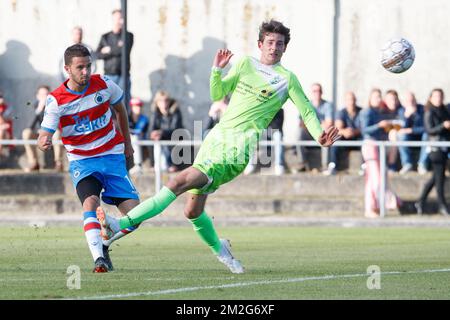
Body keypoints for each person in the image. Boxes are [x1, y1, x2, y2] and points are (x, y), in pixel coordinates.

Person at [96, 20, 340, 274]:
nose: (274, 47)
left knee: (179, 180)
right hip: (215, 141)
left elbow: (307, 111)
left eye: (280, 44)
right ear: (260, 44)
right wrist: (216, 71)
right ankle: (222, 250)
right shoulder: (245, 64)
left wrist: (319, 135)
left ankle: (119, 223)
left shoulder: (287, 79)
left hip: (237, 151)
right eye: (270, 42)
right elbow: (217, 94)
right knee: (192, 211)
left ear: (285, 48)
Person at [37, 44, 140, 273]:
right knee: (90, 203)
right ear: (67, 69)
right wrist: (43, 141)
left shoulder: (103, 83)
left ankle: (104, 242)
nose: (85, 71)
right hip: (83, 162)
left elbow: (121, 111)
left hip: (112, 155)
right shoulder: (56, 100)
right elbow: (45, 133)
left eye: (88, 66)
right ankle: (98, 260)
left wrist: (128, 144)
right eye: (80, 67)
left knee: (136, 215)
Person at [360, 88, 402, 218]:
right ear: (370, 98)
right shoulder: (366, 112)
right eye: (376, 97)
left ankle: (375, 207)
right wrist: (379, 125)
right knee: (375, 178)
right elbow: (364, 130)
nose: (378, 99)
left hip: (378, 146)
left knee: (376, 178)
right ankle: (376, 206)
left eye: (379, 97)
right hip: (370, 145)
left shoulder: (379, 112)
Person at [415, 89, 450, 216]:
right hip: (435, 148)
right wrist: (443, 126)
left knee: (436, 177)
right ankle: (442, 205)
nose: (438, 98)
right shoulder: (429, 112)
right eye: (436, 96)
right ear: (430, 98)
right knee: (440, 178)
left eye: (440, 96)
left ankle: (420, 201)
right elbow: (429, 130)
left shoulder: (445, 111)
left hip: (444, 148)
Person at [96, 9, 134, 114]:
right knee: (107, 102)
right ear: (113, 19)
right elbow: (98, 54)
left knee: (123, 102)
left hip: (123, 75)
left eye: (121, 18)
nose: (120, 21)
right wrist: (117, 47)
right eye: (117, 18)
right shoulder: (105, 37)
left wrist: (108, 50)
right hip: (109, 75)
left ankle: (124, 127)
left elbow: (125, 51)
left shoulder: (128, 36)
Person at [22, 85, 64, 172]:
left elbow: (58, 124)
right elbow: (29, 126)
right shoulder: (33, 105)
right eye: (42, 95)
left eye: (46, 94)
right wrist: (39, 109)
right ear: (37, 96)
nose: (44, 97)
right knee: (26, 133)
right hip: (38, 132)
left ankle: (58, 163)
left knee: (57, 133)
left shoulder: (55, 105)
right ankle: (33, 162)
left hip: (51, 132)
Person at [323, 91, 362, 176]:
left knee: (366, 139)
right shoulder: (341, 112)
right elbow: (338, 129)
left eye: (352, 99)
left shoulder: (361, 111)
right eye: (349, 100)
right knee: (334, 139)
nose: (351, 102)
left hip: (357, 138)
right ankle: (332, 166)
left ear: (355, 100)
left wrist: (354, 132)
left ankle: (364, 167)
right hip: (345, 139)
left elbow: (363, 128)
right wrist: (345, 132)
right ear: (345, 101)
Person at [297, 83, 334, 171]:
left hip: (320, 132)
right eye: (315, 91)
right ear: (311, 92)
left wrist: (311, 124)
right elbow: (301, 123)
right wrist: (319, 124)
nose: (317, 93)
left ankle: (325, 165)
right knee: (299, 132)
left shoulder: (327, 105)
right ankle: (302, 163)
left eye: (319, 91)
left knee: (325, 132)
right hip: (309, 132)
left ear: (322, 92)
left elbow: (329, 124)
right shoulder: (306, 105)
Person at [394, 92, 428, 175]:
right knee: (401, 136)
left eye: (412, 100)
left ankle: (422, 164)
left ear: (415, 100)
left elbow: (426, 128)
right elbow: (400, 128)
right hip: (408, 138)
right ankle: (407, 164)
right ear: (404, 102)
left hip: (421, 136)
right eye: (408, 101)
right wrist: (407, 116)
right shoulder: (401, 111)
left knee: (427, 136)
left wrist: (412, 130)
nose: (411, 103)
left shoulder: (422, 109)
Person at [149, 90, 184, 173]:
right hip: (160, 139)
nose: (164, 103)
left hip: (173, 138)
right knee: (151, 138)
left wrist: (161, 132)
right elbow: (151, 129)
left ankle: (173, 164)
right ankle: (154, 164)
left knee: (176, 137)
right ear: (157, 102)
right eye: (160, 100)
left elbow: (176, 129)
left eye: (166, 100)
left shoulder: (175, 112)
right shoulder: (155, 113)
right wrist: (154, 134)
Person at [244, 108, 286, 175]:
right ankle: (250, 164)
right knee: (252, 137)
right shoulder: (261, 108)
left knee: (278, 137)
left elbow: (277, 126)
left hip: (274, 130)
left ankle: (279, 164)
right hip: (263, 129)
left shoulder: (279, 110)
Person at [128, 97, 149, 175]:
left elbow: (139, 132)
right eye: (136, 106)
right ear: (132, 107)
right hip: (130, 140)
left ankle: (138, 165)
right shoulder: (127, 117)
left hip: (142, 140)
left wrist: (130, 132)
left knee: (135, 138)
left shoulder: (144, 119)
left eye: (140, 106)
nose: (138, 108)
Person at [0, 90, 13, 157]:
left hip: (6, 135)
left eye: (1, 96)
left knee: (1, 131)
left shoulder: (7, 108)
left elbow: (6, 125)